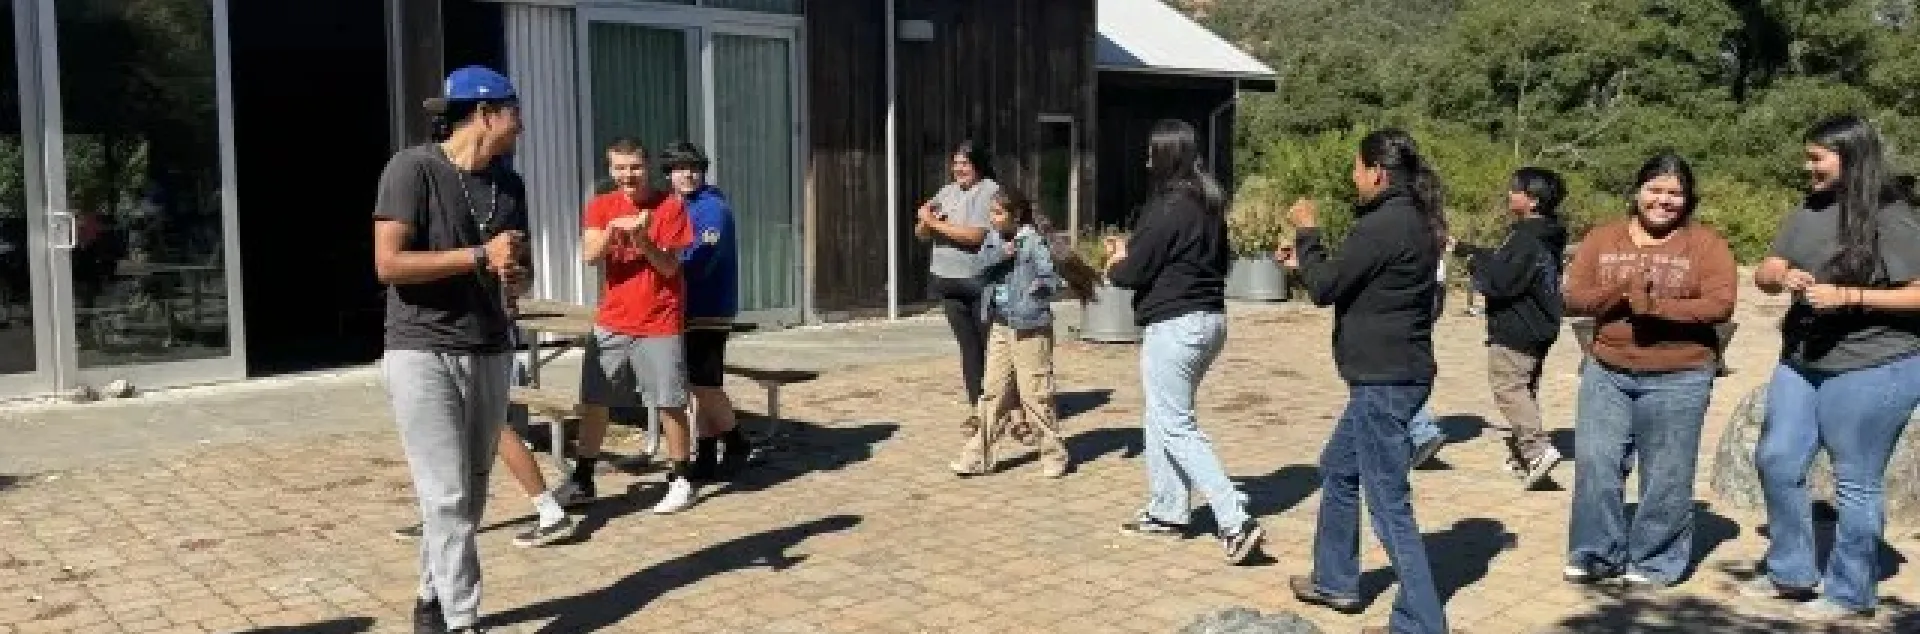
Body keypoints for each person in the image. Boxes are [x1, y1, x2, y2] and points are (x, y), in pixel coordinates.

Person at [371, 65, 530, 634]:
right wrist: (479, 256)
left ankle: (430, 597)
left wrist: (514, 278)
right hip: (422, 349)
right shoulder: (412, 169)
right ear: (485, 113)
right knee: (445, 493)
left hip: (489, 346)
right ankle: (464, 620)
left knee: (473, 489)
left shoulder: (508, 185)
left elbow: (514, 269)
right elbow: (388, 264)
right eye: (514, 111)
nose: (521, 125)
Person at [1744, 115, 1920, 621]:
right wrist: (1776, 274)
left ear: (1852, 157)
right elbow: (1766, 272)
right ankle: (1790, 571)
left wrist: (1849, 296)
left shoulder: (1893, 216)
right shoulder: (1810, 208)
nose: (1809, 167)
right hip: (1802, 359)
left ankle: (1850, 592)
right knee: (1777, 459)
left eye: (1817, 157)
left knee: (1855, 481)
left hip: (1875, 363)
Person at [1284, 129, 1449, 634]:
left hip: (1385, 381)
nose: (1353, 178)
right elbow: (1355, 277)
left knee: (1388, 503)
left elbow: (1325, 287)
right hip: (1391, 375)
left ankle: (1422, 622)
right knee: (1338, 467)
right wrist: (1307, 260)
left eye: (1357, 169)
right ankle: (1335, 579)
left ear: (1377, 172)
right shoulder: (1413, 219)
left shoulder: (1383, 224)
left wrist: (1307, 234)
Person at [1561, 153, 1736, 588]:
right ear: (1637, 192)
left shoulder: (1706, 244)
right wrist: (1621, 291)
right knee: (1596, 463)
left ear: (1688, 198)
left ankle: (1655, 560)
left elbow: (1720, 304)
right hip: (1607, 369)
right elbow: (1574, 297)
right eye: (1655, 189)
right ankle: (1596, 552)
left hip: (1681, 373)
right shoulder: (1602, 238)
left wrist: (1654, 306)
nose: (1664, 200)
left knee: (1666, 472)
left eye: (1675, 193)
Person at [1106, 119, 1265, 564]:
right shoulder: (1208, 202)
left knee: (1176, 424)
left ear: (1165, 157)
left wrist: (1116, 260)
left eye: (1151, 152)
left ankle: (1235, 520)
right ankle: (1168, 510)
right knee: (1161, 416)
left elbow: (1133, 272)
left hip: (1176, 325)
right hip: (1209, 319)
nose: (1145, 160)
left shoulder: (1167, 206)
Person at [571, 137, 699, 515]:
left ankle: (681, 479)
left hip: (660, 320)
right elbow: (590, 255)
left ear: (647, 167)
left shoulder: (670, 206)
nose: (628, 175)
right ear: (611, 169)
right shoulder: (601, 206)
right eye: (620, 168)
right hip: (613, 319)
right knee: (594, 400)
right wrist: (613, 229)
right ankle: (582, 478)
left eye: (635, 167)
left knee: (670, 402)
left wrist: (643, 240)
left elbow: (670, 267)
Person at [1451, 167, 1570, 488]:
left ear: (1533, 200)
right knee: (1525, 389)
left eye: (1515, 190)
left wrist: (1474, 266)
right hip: (1540, 325)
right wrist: (1466, 249)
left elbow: (1502, 281)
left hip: (1517, 326)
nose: (1509, 194)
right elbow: (1505, 262)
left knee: (1509, 389)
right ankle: (1522, 454)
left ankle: (1536, 450)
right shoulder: (1545, 234)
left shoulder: (1526, 238)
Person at [949, 186, 1071, 478]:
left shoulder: (1033, 241)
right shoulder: (993, 239)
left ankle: (1054, 454)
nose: (993, 218)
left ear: (1015, 215)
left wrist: (1038, 289)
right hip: (1001, 324)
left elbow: (1052, 278)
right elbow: (977, 270)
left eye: (998, 213)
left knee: (1035, 394)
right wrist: (1000, 255)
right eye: (991, 212)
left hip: (1030, 327)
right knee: (992, 392)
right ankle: (978, 457)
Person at [915, 141, 1030, 440]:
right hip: (947, 281)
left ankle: (1014, 411)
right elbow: (921, 232)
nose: (958, 169)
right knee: (969, 349)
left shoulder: (990, 191)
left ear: (977, 164)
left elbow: (976, 236)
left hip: (979, 283)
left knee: (995, 349)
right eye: (955, 163)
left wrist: (934, 223)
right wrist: (926, 223)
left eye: (964, 163)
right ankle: (978, 409)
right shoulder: (946, 192)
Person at [661, 140, 754, 481]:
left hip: (708, 308)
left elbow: (700, 258)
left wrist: (662, 270)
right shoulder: (676, 205)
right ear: (669, 174)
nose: (688, 175)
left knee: (704, 384)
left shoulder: (712, 208)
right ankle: (706, 452)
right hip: (684, 309)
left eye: (694, 168)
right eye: (679, 169)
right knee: (698, 384)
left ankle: (736, 441)